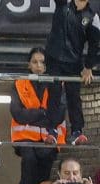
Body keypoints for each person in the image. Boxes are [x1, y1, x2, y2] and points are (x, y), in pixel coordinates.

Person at [10, 47, 64, 184]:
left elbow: (59, 113)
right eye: (35, 62)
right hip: (25, 138)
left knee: (43, 171)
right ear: (29, 65)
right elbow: (17, 113)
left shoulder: (56, 83)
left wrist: (33, 115)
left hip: (50, 137)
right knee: (29, 164)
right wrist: (43, 114)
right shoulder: (19, 83)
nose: (39, 65)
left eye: (42, 62)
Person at [43, 0, 98, 147]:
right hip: (54, 58)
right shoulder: (62, 4)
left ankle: (77, 131)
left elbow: (95, 44)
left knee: (73, 95)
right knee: (54, 94)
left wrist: (88, 67)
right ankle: (52, 131)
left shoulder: (93, 17)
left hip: (74, 63)